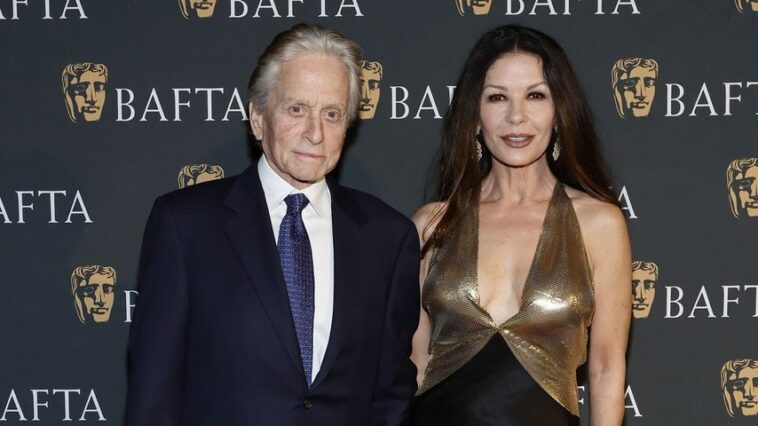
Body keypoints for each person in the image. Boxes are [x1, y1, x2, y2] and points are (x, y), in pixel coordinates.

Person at [125, 23, 420, 426]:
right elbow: (153, 395)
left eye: (332, 114)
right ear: (258, 117)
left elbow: (391, 397)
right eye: (297, 109)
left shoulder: (388, 237)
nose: (315, 133)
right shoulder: (185, 226)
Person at [411, 25, 631, 425]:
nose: (516, 116)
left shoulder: (599, 224)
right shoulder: (431, 226)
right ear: (474, 115)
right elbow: (415, 366)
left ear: (559, 112)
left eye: (535, 95)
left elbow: (606, 368)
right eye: (497, 97)